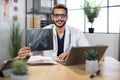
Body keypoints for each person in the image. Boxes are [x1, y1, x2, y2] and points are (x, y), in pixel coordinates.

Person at [18, 4, 89, 60]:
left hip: (69, 68)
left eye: (62, 15)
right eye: (56, 15)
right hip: (50, 68)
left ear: (67, 17)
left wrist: (71, 54)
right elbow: (34, 53)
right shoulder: (44, 32)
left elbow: (87, 50)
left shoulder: (77, 32)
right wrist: (24, 54)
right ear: (52, 17)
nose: (59, 18)